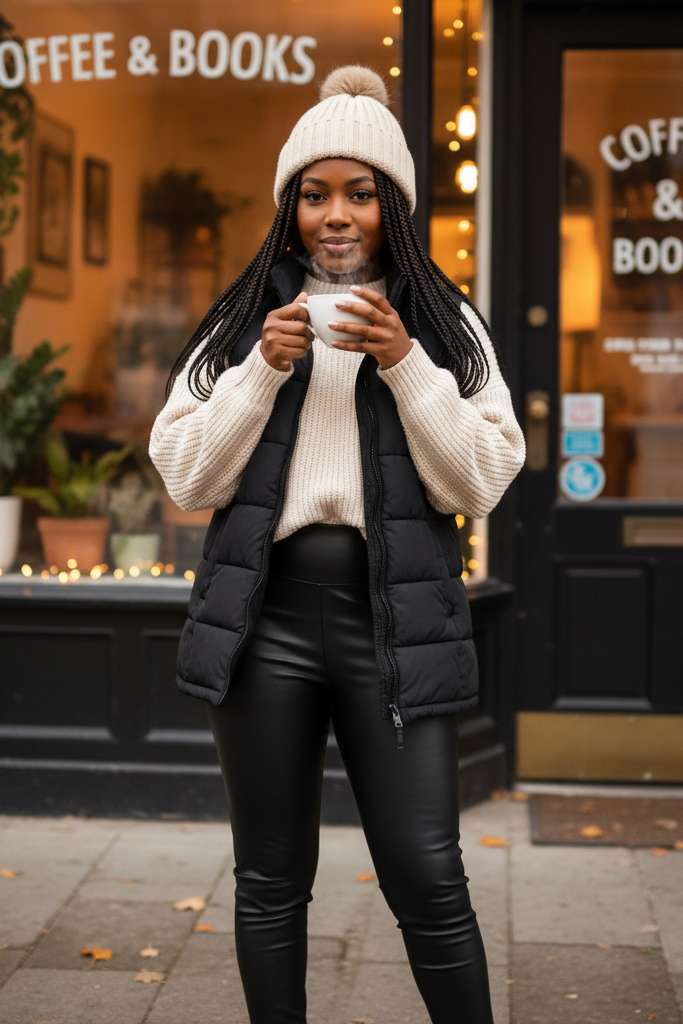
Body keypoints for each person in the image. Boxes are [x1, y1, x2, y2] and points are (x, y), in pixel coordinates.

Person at [150, 65, 525, 1024]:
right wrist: (256, 377)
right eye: (314, 194)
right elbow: (185, 477)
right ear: (289, 208)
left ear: (393, 205)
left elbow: (480, 481)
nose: (336, 214)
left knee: (428, 874)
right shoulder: (243, 321)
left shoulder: (445, 323)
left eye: (360, 192)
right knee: (269, 876)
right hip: (264, 619)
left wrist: (406, 365)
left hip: (396, 624)